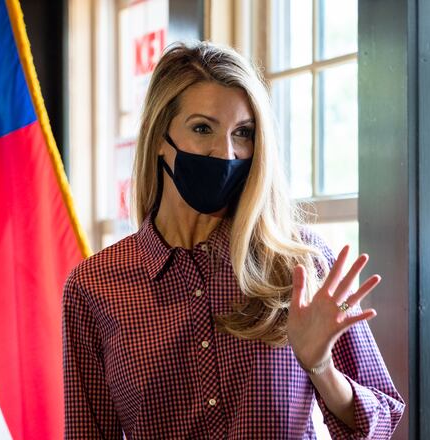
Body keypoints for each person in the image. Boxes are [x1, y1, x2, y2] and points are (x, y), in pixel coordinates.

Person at [62, 42, 404, 439]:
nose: (225, 152)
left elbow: (379, 425)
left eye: (243, 133)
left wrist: (320, 366)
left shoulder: (299, 265)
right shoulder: (94, 286)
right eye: (202, 128)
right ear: (159, 137)